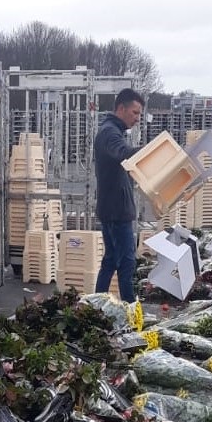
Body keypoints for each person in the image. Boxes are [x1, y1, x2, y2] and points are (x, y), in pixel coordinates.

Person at [94, 88, 145, 301]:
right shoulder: (109, 133)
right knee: (126, 262)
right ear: (121, 108)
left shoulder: (112, 131)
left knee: (112, 259)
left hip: (113, 209)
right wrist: (152, 150)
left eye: (139, 114)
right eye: (135, 112)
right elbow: (124, 153)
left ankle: (96, 304)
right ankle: (131, 311)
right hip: (116, 212)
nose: (137, 118)